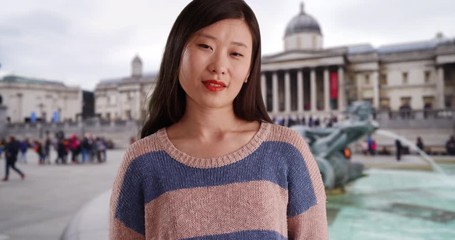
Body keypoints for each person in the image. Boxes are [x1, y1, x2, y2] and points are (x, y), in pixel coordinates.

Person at [109, 0, 328, 239]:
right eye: (205, 46)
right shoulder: (141, 162)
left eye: (236, 53)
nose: (219, 66)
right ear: (176, 52)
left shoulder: (287, 151)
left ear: (249, 71)